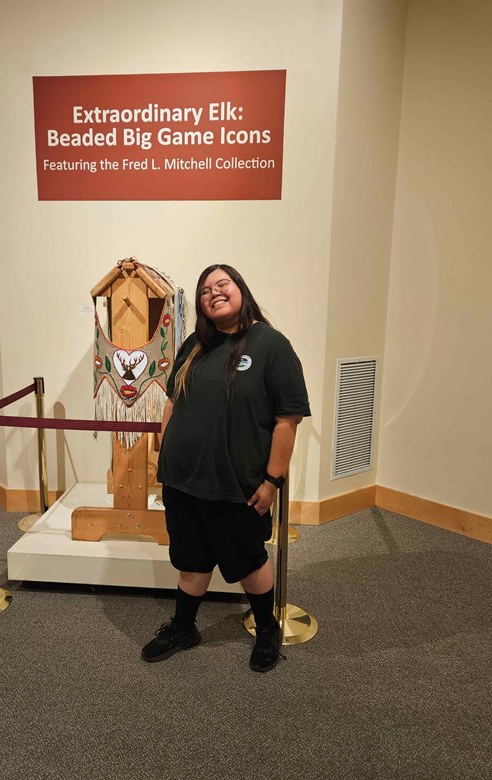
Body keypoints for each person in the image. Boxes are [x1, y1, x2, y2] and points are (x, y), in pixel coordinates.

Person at [141, 264, 311, 672]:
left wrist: (272, 481)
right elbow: (171, 402)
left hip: (237, 485)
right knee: (191, 560)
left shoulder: (272, 345)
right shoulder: (194, 345)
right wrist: (167, 454)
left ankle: (267, 629)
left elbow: (288, 420)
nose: (214, 293)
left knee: (249, 562)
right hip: (184, 481)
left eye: (222, 284)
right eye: (205, 290)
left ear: (241, 290)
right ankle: (184, 627)